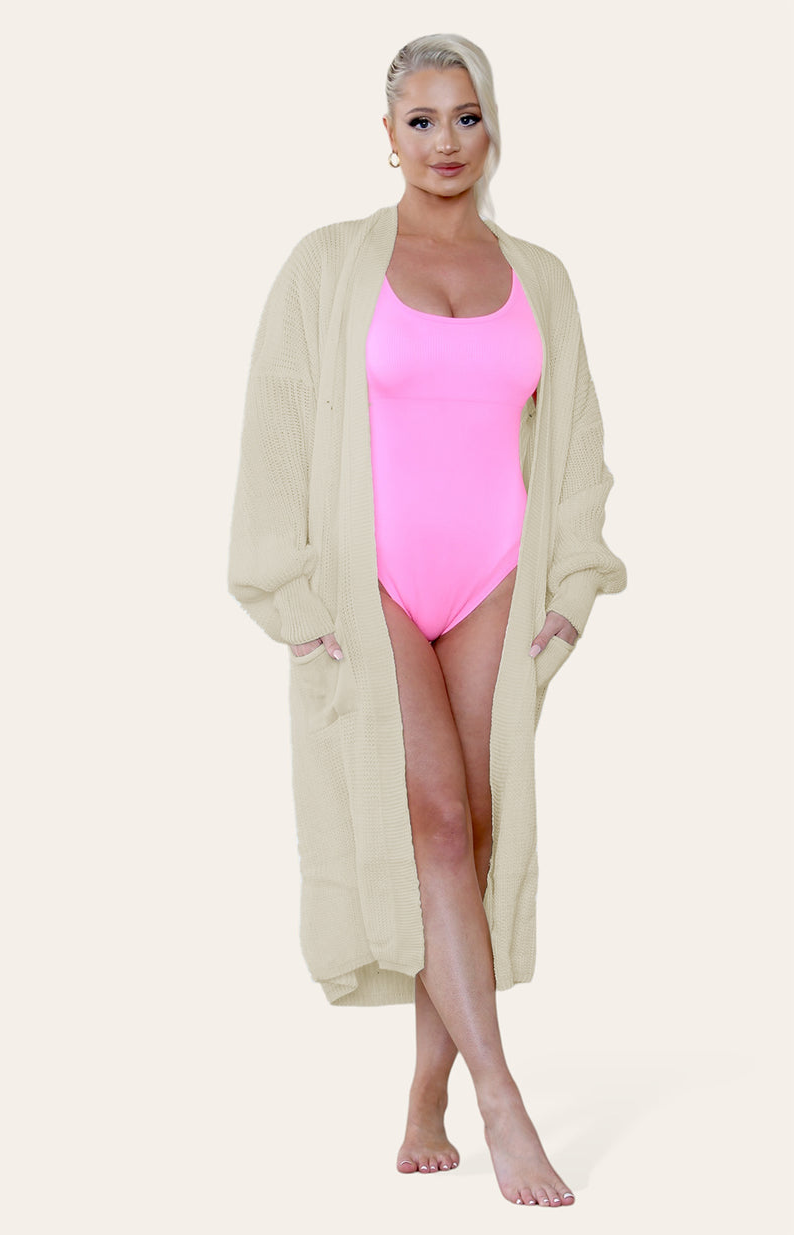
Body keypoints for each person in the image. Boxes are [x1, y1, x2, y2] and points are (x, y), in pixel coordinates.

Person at [227, 32, 626, 1209]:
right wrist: (289, 590)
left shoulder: (540, 274)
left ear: (490, 128)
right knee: (435, 821)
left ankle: (425, 1089)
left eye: (465, 116)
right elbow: (277, 419)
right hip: (376, 578)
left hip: (498, 574)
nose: (445, 140)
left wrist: (569, 593)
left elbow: (577, 438)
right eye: (421, 119)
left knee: (476, 830)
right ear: (387, 134)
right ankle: (502, 1097)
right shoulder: (330, 263)